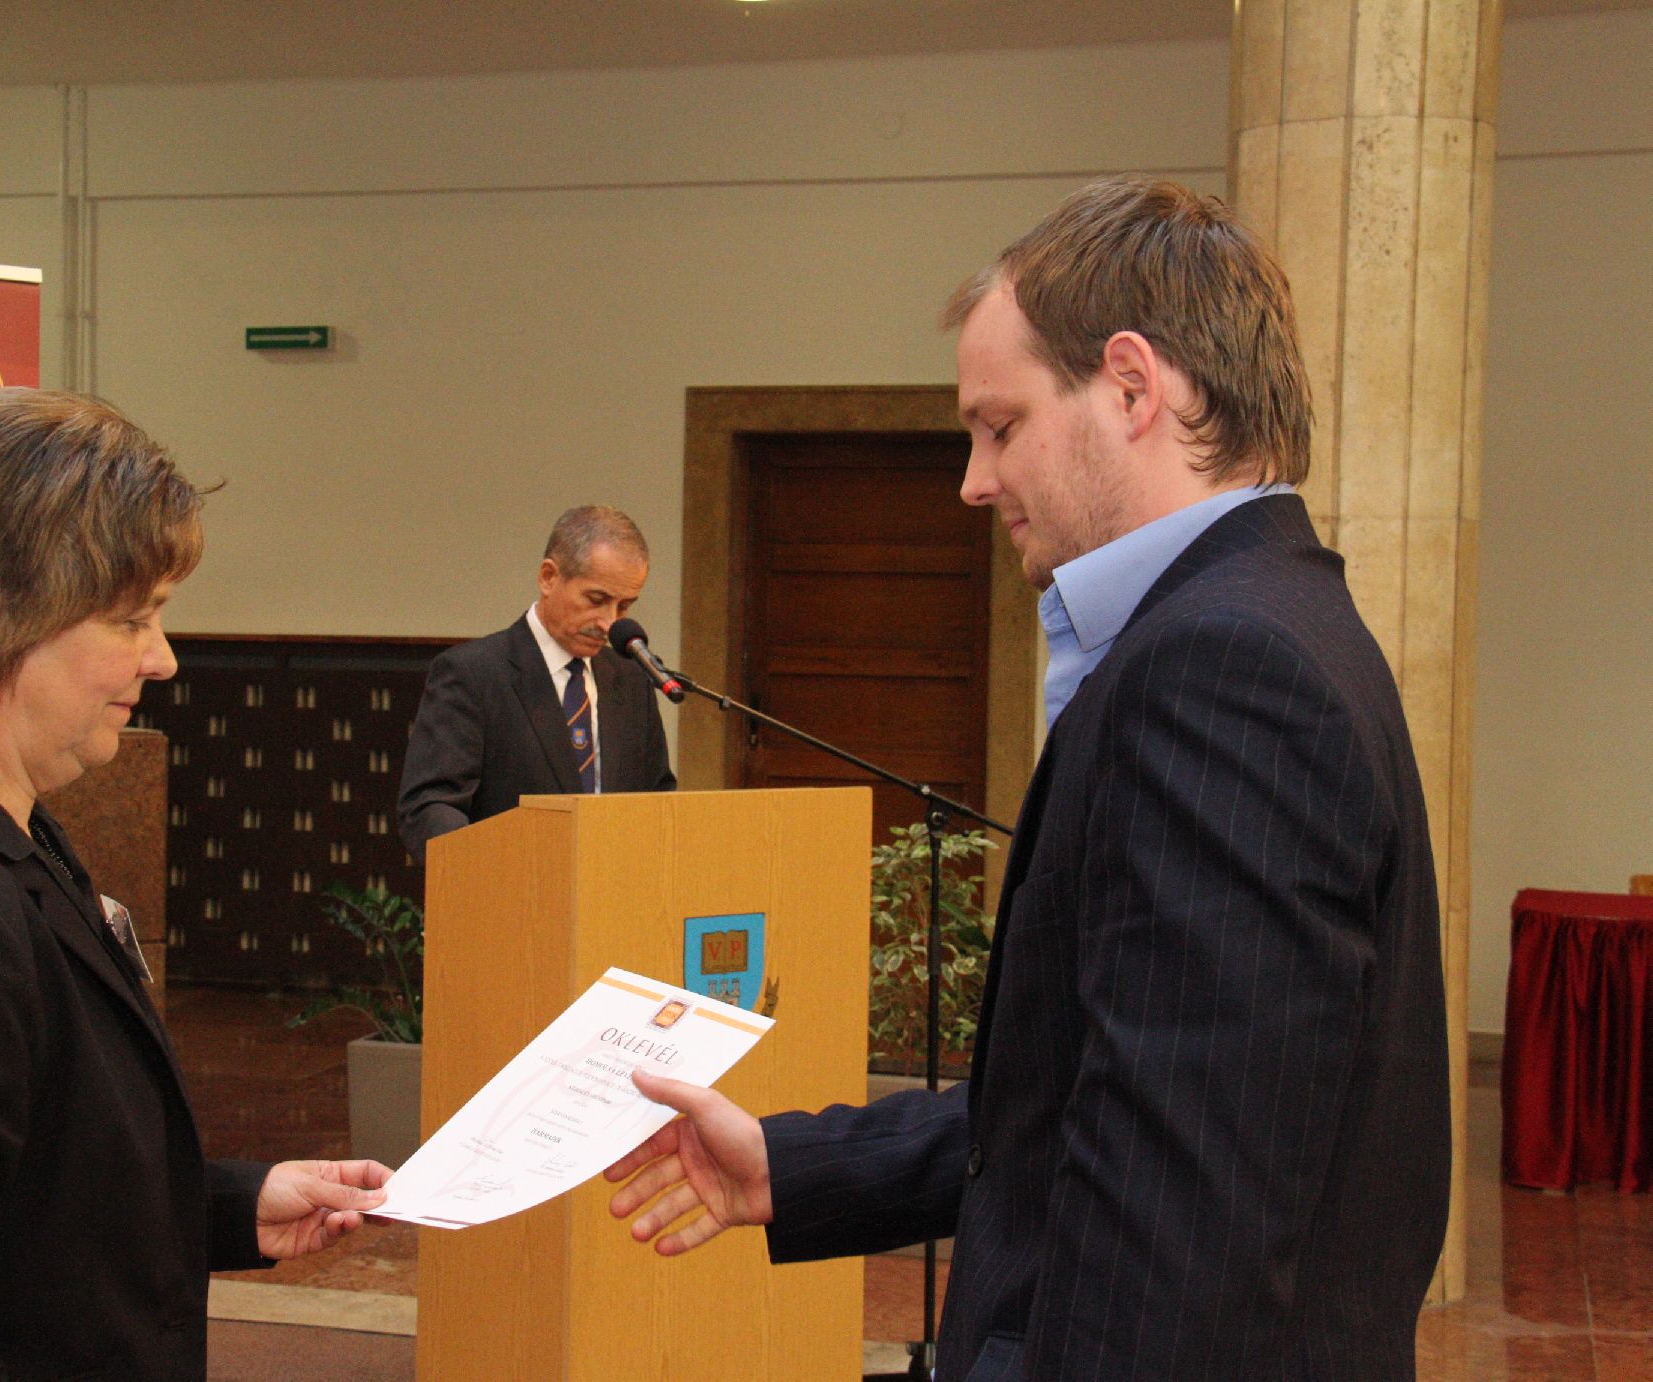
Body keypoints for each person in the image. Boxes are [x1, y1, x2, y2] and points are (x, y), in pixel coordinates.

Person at [605, 178, 1451, 1379]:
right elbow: (1099, 1093)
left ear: (1132, 387)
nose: (972, 478)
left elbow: (1177, 1227)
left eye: (999, 426)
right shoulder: (1267, 619)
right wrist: (797, 1165)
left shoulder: (1224, 666)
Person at [0, 389, 389, 1381]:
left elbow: (40, 1183)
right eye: (129, 619)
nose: (163, 658)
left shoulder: (2, 834)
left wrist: (234, 1203)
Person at [397, 505, 677, 862]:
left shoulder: (631, 679)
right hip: (507, 886)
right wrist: (486, 869)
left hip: (612, 889)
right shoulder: (472, 674)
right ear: (548, 578)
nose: (609, 623)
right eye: (597, 600)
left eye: (624, 607)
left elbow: (656, 797)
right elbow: (430, 806)